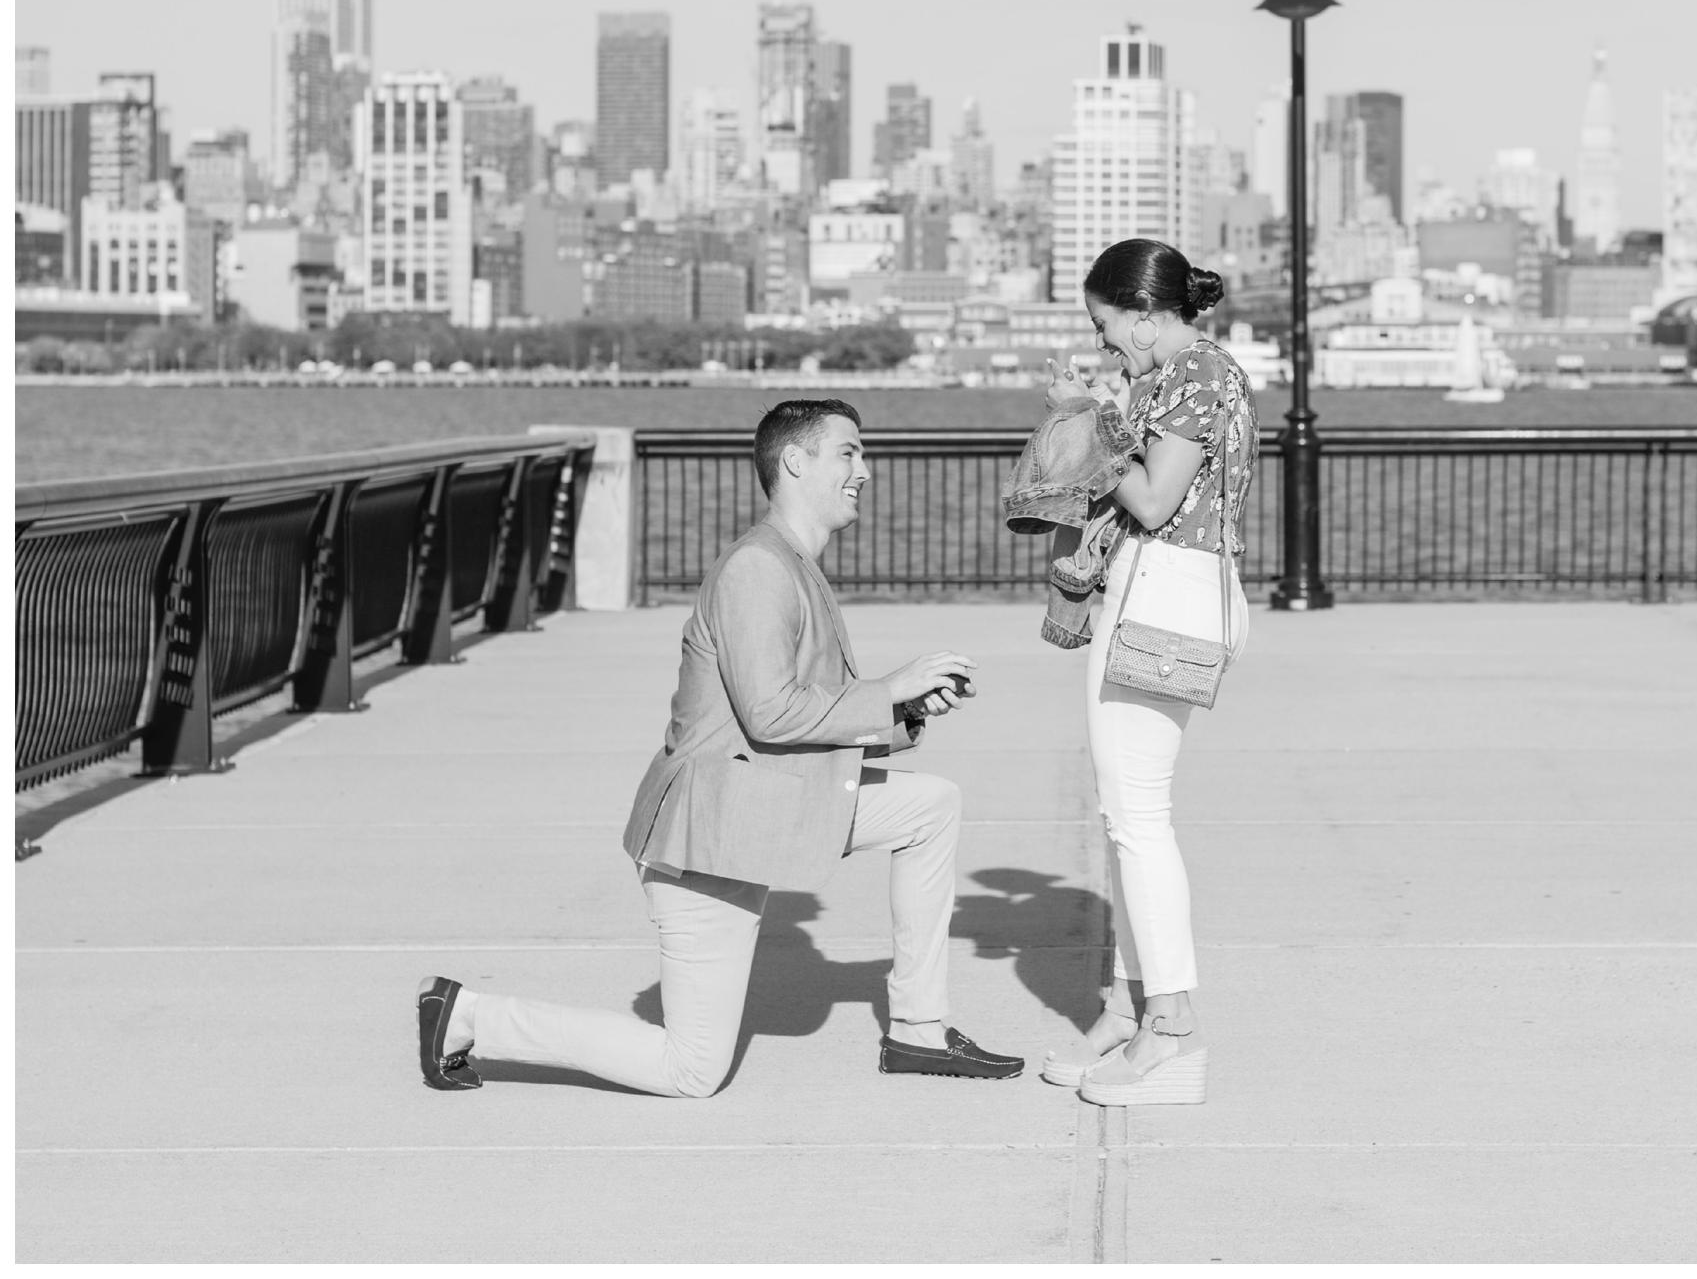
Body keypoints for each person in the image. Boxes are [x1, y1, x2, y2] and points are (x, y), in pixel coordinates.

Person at [413, 398, 1023, 1094]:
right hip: (705, 839)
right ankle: (467, 1016)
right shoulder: (757, 569)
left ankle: (919, 1029)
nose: (866, 470)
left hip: (756, 813)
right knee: (691, 1069)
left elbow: (798, 714)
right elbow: (770, 714)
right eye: (849, 452)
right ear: (795, 461)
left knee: (933, 805)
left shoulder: (792, 563)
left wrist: (902, 707)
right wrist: (889, 686)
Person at [1038, 235, 1259, 1107]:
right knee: (1129, 813)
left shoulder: (1194, 373)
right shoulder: (1188, 373)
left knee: (1140, 818)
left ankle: (1169, 1030)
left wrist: (1087, 418)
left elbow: (1155, 498)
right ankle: (1141, 1016)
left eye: (1106, 327)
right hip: (1170, 591)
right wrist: (1108, 408)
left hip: (1163, 593)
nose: (1104, 346)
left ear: (1141, 311)